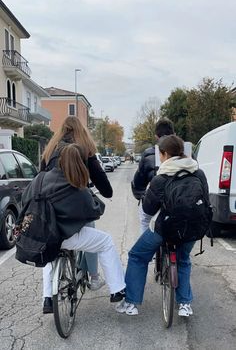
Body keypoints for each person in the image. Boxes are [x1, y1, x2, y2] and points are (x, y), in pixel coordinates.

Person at [116, 135, 210, 316]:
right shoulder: (198, 172)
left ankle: (131, 303)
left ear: (165, 153)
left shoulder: (161, 177)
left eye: (160, 153)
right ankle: (184, 305)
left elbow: (148, 209)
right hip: (193, 228)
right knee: (183, 260)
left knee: (137, 256)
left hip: (165, 228)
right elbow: (205, 200)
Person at [23, 143, 126, 310]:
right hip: (67, 236)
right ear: (78, 162)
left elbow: (25, 200)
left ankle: (47, 299)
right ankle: (117, 290)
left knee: (49, 253)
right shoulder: (75, 183)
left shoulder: (40, 178)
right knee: (105, 242)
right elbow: (94, 210)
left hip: (41, 235)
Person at [40, 116, 113, 313]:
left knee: (49, 249)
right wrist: (105, 192)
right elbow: (102, 182)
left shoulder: (50, 150)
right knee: (91, 227)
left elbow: (40, 177)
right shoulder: (84, 149)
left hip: (51, 209)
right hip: (75, 205)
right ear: (81, 130)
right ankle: (94, 278)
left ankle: (47, 298)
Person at [131, 118, 175, 233]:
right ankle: (184, 251)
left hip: (157, 201)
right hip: (182, 200)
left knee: (144, 219)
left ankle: (146, 250)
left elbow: (138, 183)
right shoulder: (187, 153)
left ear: (156, 136)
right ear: (174, 134)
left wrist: (140, 196)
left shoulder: (149, 153)